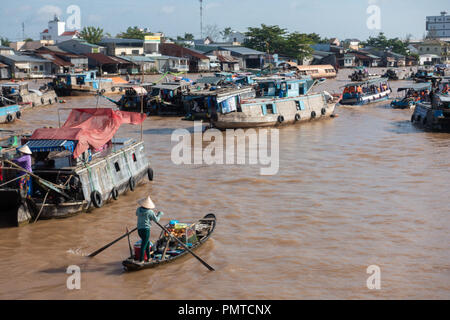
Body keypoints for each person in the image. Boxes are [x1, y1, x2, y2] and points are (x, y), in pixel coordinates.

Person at [136, 196, 164, 263]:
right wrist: (159, 214)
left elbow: (138, 215)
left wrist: (148, 218)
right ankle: (141, 260)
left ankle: (149, 257)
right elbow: (156, 220)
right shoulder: (150, 212)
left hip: (139, 230)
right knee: (144, 244)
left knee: (147, 243)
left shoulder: (138, 209)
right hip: (146, 230)